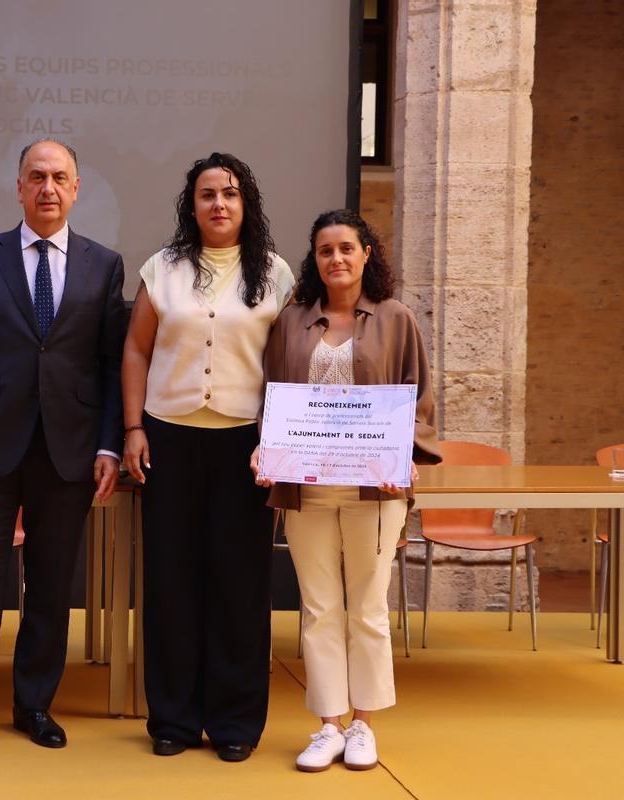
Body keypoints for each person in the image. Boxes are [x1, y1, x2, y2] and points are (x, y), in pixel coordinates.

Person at [0, 138, 127, 757]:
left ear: (76, 189)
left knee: (50, 584)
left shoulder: (104, 264)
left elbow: (110, 366)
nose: (47, 188)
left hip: (69, 449)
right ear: (18, 187)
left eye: (59, 177)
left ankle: (34, 704)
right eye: (36, 177)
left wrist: (109, 446)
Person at [252, 209, 440, 772]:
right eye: (325, 250)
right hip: (307, 489)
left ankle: (364, 724)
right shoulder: (291, 321)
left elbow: (418, 400)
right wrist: (265, 447)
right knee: (319, 608)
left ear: (366, 255)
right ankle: (328, 725)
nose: (336, 258)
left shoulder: (396, 318)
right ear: (314, 259)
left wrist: (403, 457)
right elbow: (272, 396)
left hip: (373, 491)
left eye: (346, 248)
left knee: (367, 608)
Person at [121, 152, 294, 762]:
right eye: (207, 194)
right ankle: (172, 719)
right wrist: (133, 427)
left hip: (246, 446)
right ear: (190, 206)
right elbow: (137, 350)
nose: (219, 203)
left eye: (230, 193)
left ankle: (235, 723)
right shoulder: (162, 269)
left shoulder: (275, 274)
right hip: (168, 440)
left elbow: (288, 365)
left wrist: (279, 439)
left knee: (240, 584)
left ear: (246, 204)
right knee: (171, 580)